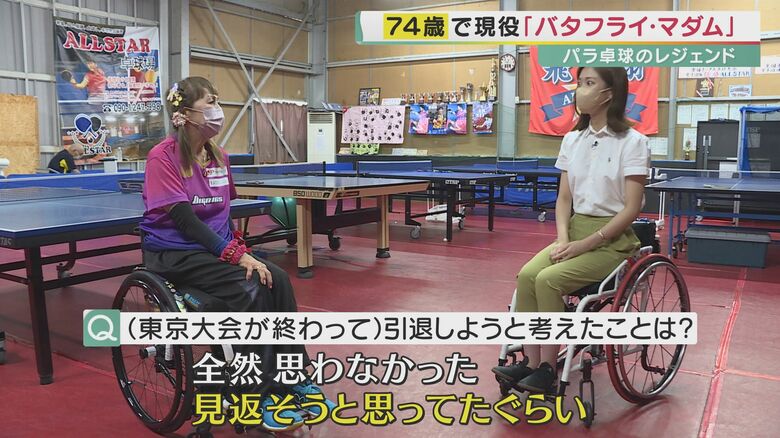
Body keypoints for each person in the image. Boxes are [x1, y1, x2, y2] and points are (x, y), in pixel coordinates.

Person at [139, 76, 334, 431]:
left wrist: (240, 248)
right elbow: (185, 221)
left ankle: (292, 377)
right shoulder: (162, 158)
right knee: (250, 288)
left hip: (211, 249)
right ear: (185, 114)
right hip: (174, 251)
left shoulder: (218, 157)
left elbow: (222, 214)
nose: (218, 109)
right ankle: (256, 395)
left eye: (217, 100)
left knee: (277, 279)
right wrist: (234, 255)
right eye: (210, 102)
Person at [492, 67, 650, 394]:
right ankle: (531, 362)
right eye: (579, 83)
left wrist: (586, 244)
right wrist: (564, 239)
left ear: (608, 94)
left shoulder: (634, 142)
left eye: (589, 83)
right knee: (527, 276)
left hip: (612, 241)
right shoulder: (572, 140)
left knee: (548, 279)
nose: (579, 90)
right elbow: (564, 199)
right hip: (575, 231)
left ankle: (549, 369)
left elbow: (632, 209)